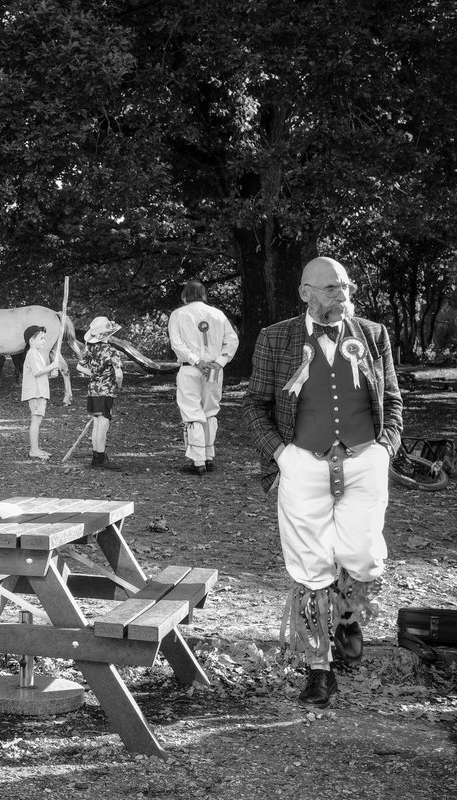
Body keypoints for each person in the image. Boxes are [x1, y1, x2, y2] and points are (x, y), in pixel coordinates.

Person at [241, 257, 402, 709]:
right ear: (306, 292)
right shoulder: (277, 337)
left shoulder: (372, 334)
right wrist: (280, 454)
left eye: (346, 286)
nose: (343, 294)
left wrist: (384, 448)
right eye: (332, 288)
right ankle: (319, 668)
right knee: (309, 565)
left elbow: (391, 398)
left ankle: (348, 614)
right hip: (302, 463)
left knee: (364, 556)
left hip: (363, 458)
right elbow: (255, 405)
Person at [168, 280, 240, 475]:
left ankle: (198, 460)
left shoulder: (178, 314)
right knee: (210, 411)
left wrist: (195, 360)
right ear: (204, 295)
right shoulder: (218, 315)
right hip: (214, 368)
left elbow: (177, 343)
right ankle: (208, 456)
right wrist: (220, 361)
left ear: (184, 296)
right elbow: (232, 340)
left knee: (191, 411)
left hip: (190, 368)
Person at [76, 316, 125, 470]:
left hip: (92, 391)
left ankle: (96, 457)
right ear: (107, 335)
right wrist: (119, 385)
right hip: (106, 391)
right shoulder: (112, 351)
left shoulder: (89, 349)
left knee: (97, 423)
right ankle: (101, 458)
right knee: (103, 425)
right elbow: (119, 374)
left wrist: (94, 375)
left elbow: (79, 367)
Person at [20, 325, 69, 460]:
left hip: (40, 392)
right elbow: (37, 372)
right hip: (36, 393)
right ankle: (34, 450)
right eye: (41, 338)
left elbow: (41, 373)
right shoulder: (32, 354)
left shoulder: (37, 355)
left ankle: (36, 448)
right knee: (35, 421)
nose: (44, 341)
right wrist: (52, 366)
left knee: (37, 420)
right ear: (32, 340)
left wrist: (51, 373)